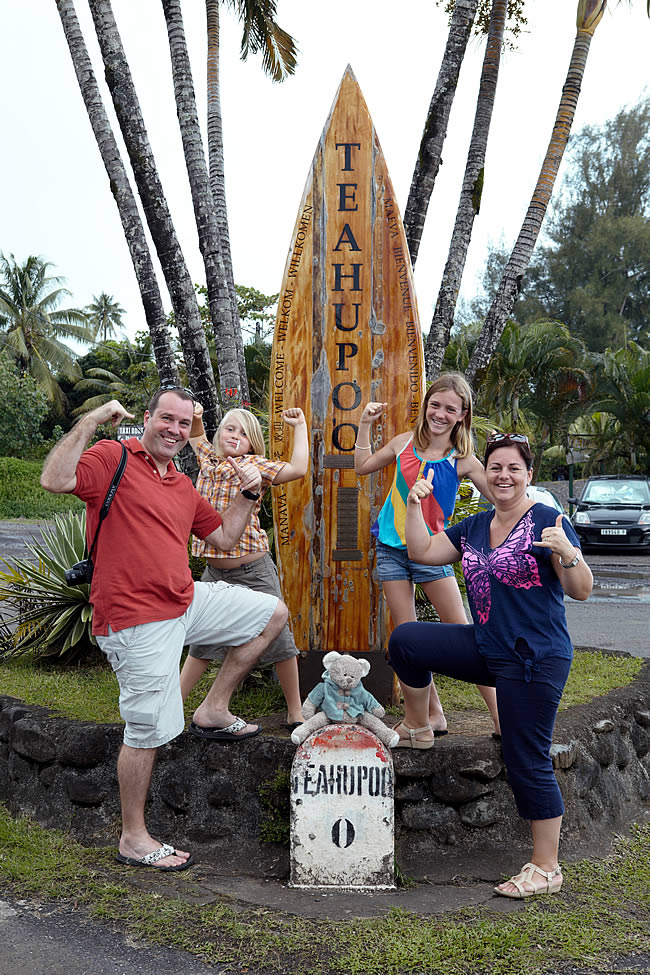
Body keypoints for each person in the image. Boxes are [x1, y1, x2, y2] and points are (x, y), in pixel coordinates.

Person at [40, 388, 288, 872]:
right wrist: (92, 418)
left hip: (186, 602)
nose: (175, 430)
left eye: (184, 422)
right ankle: (133, 837)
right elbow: (54, 478)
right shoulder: (113, 456)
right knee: (147, 729)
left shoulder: (180, 484)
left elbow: (221, 536)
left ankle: (214, 709)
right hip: (135, 618)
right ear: (148, 418)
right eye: (166, 419)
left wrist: (250, 492)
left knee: (272, 613)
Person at [388, 432, 593, 898]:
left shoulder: (547, 520)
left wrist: (569, 552)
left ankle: (546, 868)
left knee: (526, 755)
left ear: (528, 475)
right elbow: (423, 553)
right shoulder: (474, 527)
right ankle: (420, 723)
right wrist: (415, 505)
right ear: (485, 474)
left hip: (534, 658)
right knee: (408, 641)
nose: (503, 475)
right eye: (496, 467)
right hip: (486, 646)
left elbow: (582, 590)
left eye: (513, 468)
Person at [354, 372, 499, 737]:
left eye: (451, 408)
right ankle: (431, 716)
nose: (440, 413)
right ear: (425, 407)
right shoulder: (404, 444)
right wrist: (364, 425)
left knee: (467, 633)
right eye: (435, 405)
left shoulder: (463, 460)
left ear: (463, 414)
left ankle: (502, 717)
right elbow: (362, 466)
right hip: (391, 551)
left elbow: (502, 501)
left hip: (434, 554)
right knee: (407, 640)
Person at [179, 402, 308, 729]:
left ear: (252, 444)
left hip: (254, 571)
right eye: (229, 429)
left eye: (243, 433)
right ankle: (172, 705)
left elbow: (298, 469)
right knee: (202, 642)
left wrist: (300, 428)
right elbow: (197, 435)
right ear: (220, 433)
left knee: (279, 638)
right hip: (215, 571)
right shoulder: (208, 459)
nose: (234, 436)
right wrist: (196, 416)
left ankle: (295, 711)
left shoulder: (254, 466)